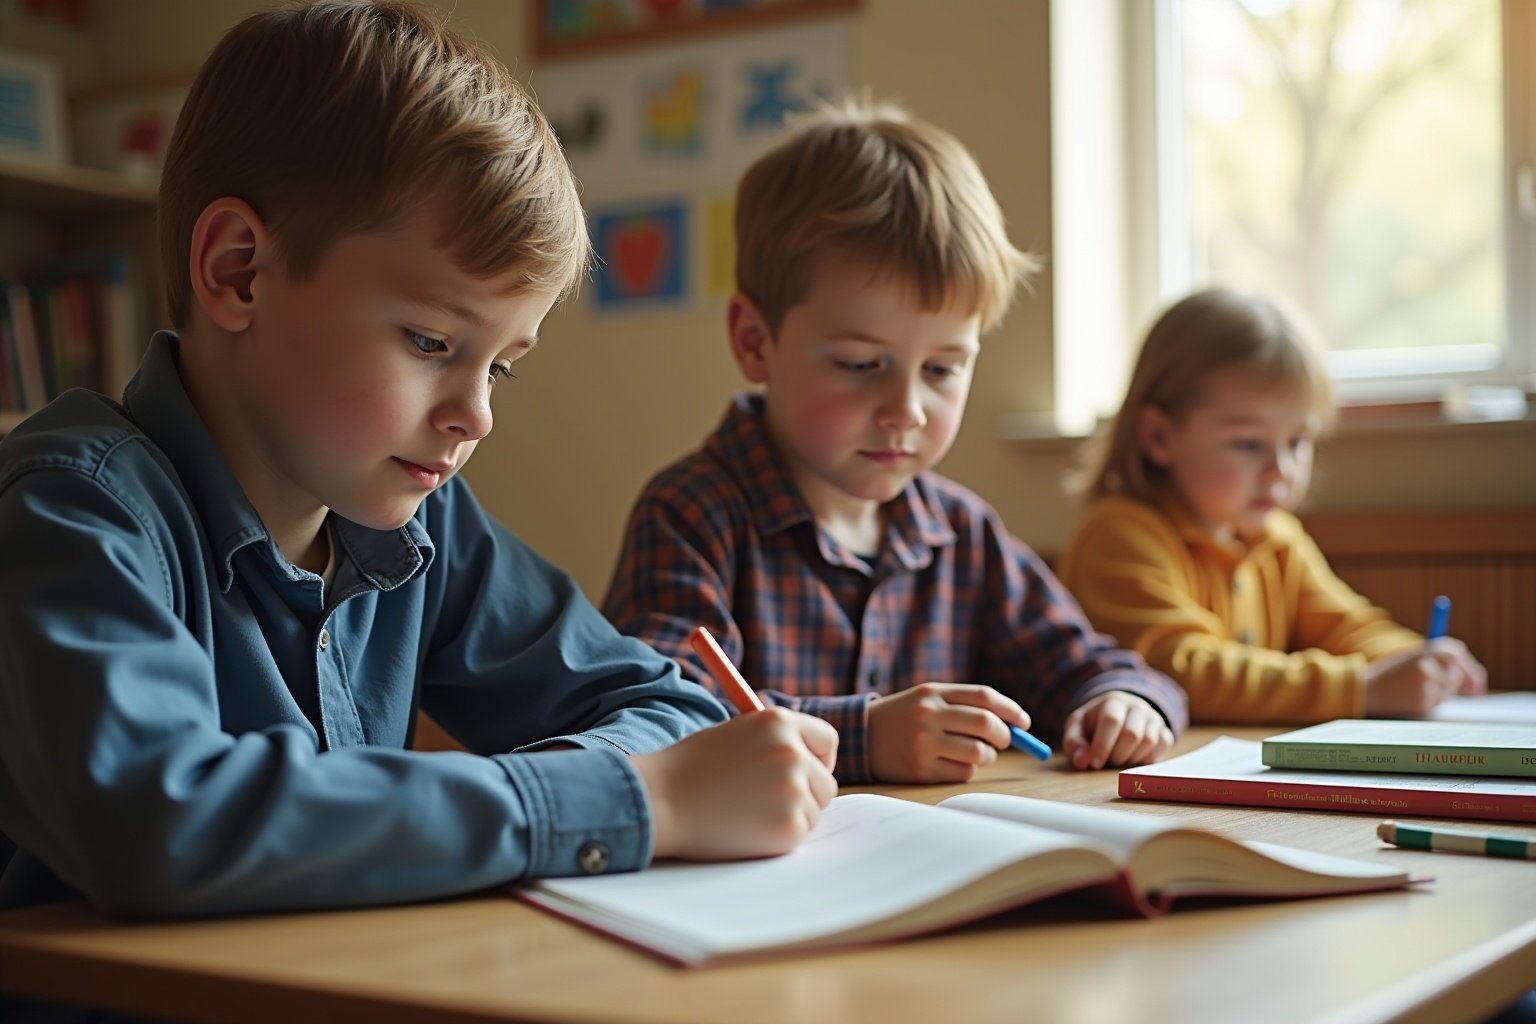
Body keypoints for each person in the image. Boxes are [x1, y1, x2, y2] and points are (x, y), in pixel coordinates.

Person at [0, 0, 839, 930]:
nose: (474, 415)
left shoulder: (417, 519)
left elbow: (662, 702)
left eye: (502, 368)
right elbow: (165, 823)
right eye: (432, 340)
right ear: (240, 271)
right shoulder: (72, 512)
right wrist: (642, 803)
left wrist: (641, 785)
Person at [601, 98, 1188, 785]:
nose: (906, 409)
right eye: (860, 364)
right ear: (755, 342)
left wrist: (1121, 702)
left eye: (942, 369)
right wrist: (863, 736)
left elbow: (1090, 662)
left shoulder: (961, 532)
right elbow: (665, 717)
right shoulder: (692, 515)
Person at [1059, 287, 1487, 723]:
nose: (1281, 470)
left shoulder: (1276, 537)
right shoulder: (1120, 535)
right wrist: (1362, 688)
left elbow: (1347, 626)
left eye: (1298, 441)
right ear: (1158, 437)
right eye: (1248, 443)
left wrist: (1420, 662)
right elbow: (1180, 673)